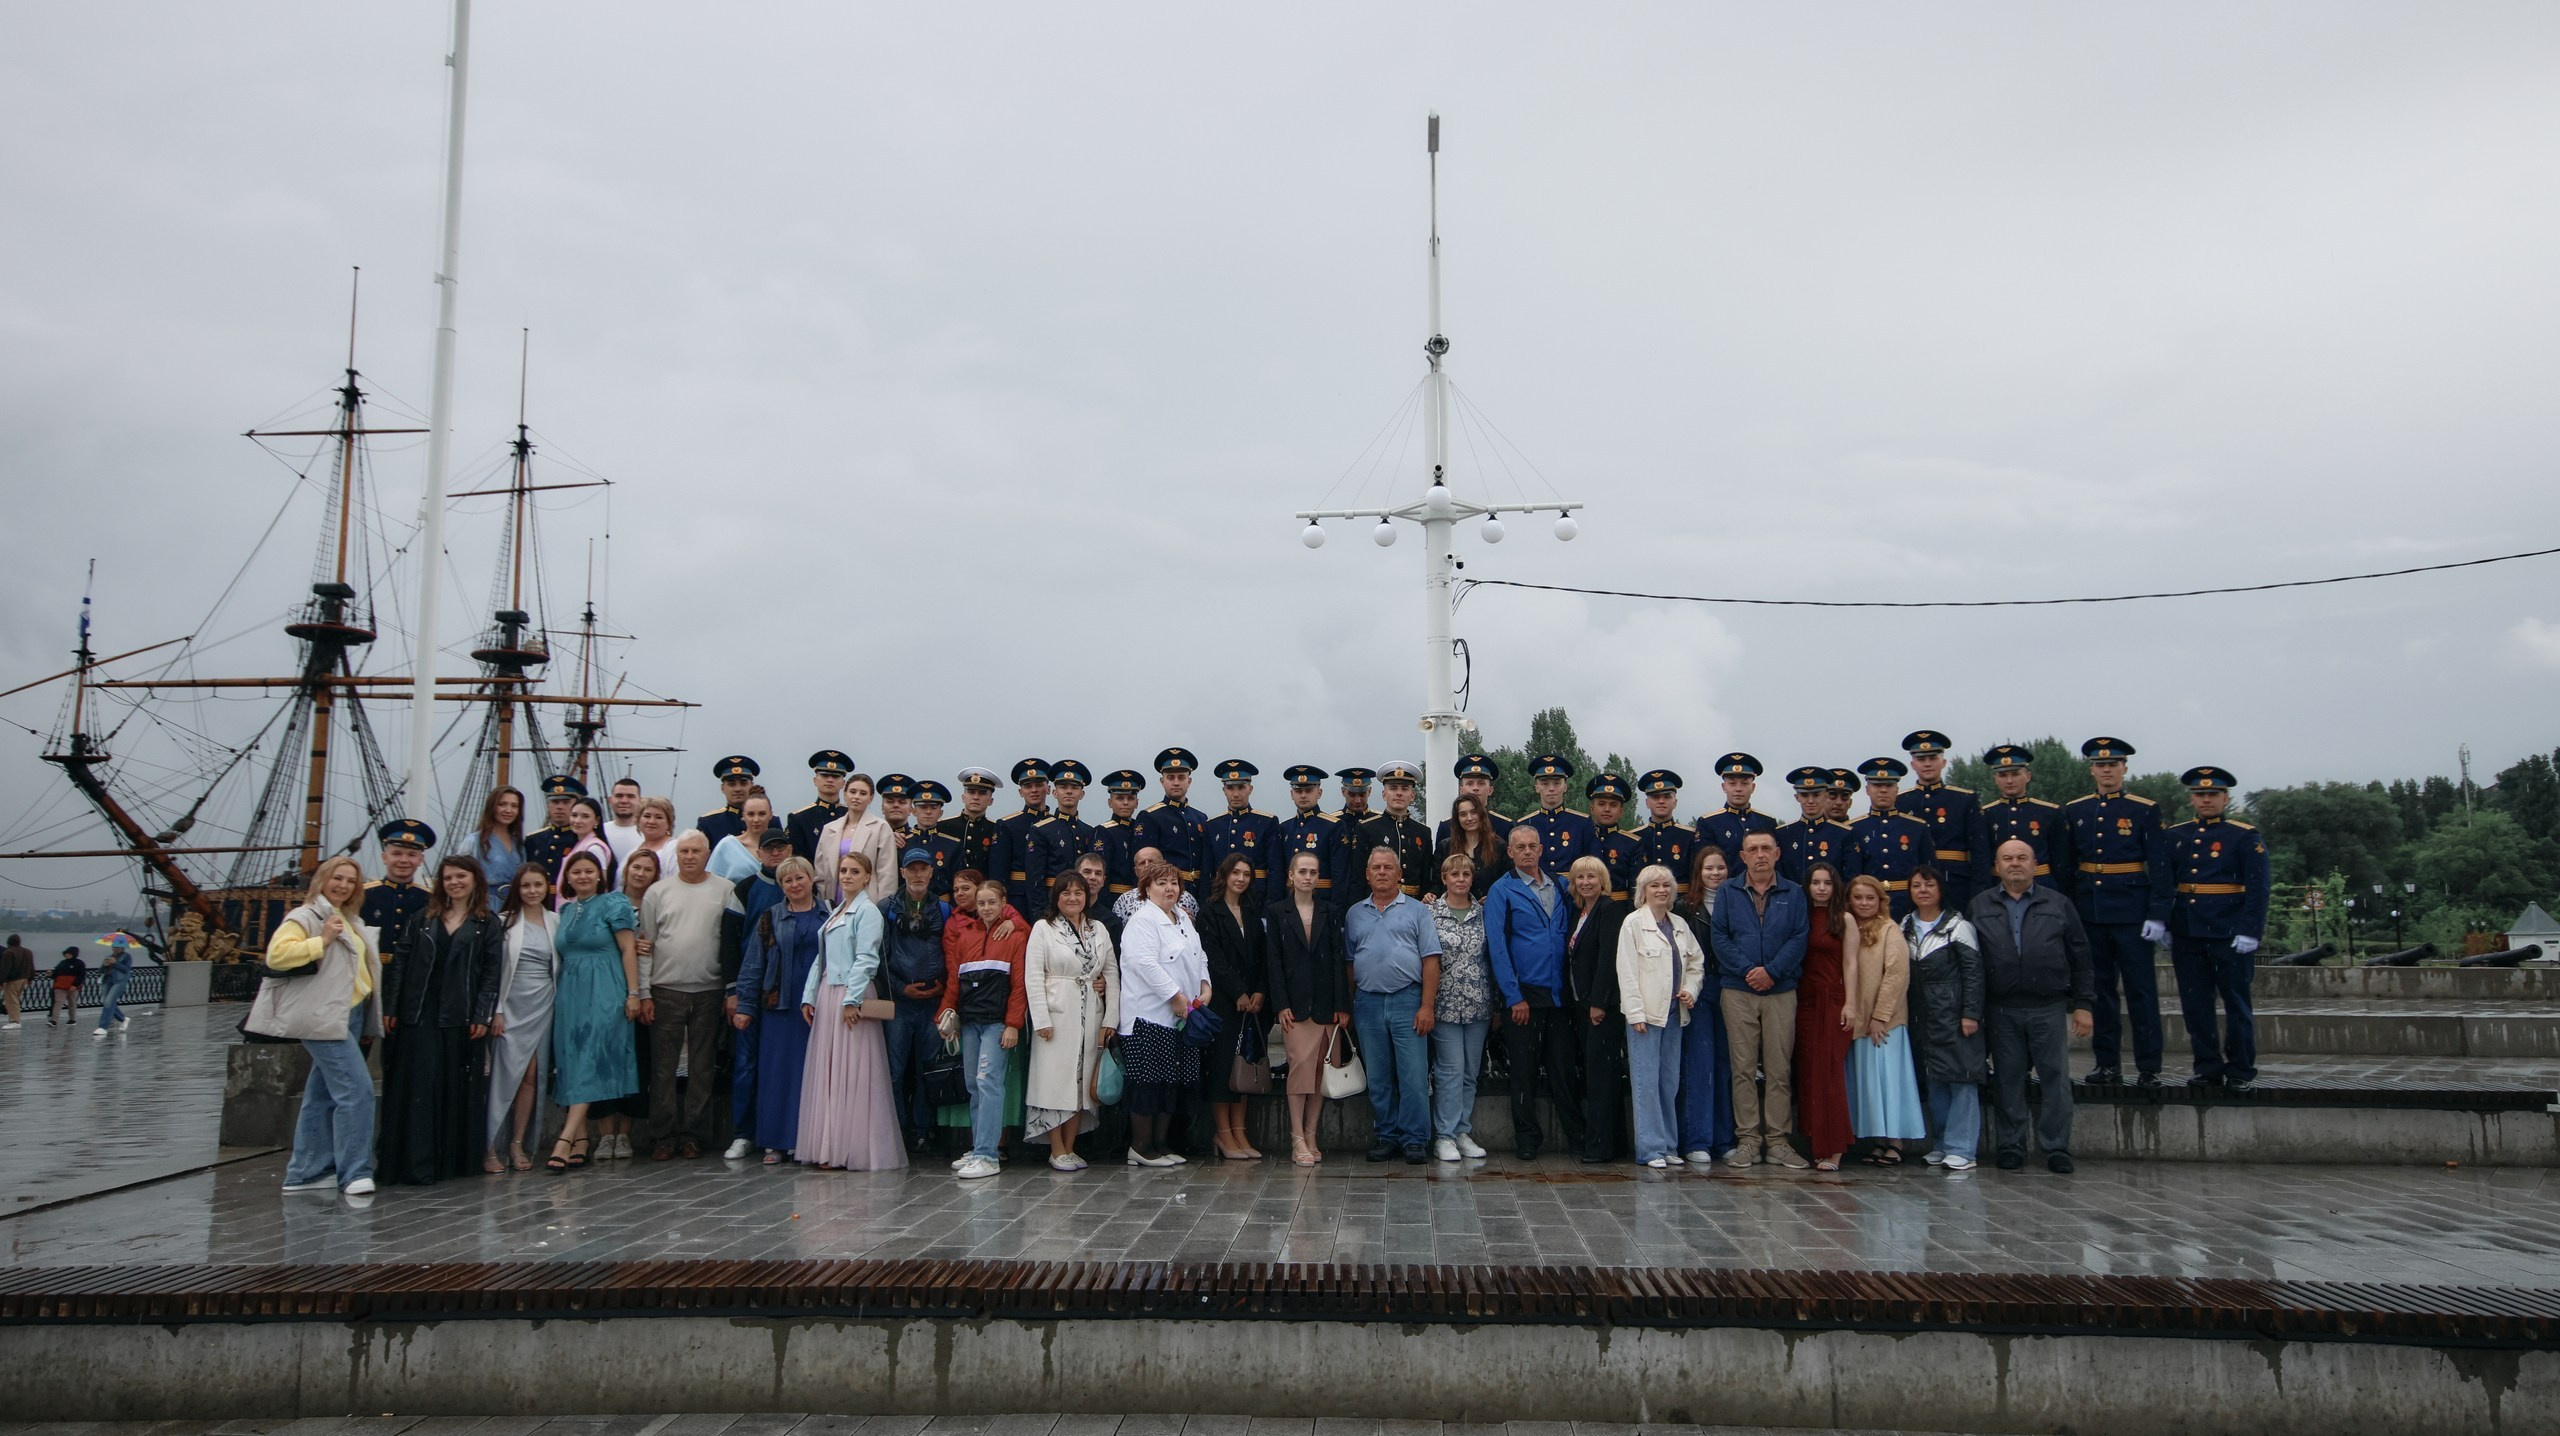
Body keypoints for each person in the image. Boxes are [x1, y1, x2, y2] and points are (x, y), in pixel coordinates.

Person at [250, 854, 385, 1197]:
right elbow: (276, 955)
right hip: (322, 1017)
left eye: (350, 881)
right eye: (337, 878)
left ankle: (306, 1172)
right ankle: (354, 1171)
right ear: (322, 880)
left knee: (321, 1094)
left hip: (348, 1013)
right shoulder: (306, 916)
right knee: (357, 1091)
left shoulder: (347, 917)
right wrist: (321, 941)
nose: (343, 885)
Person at [1969, 839, 2097, 1173]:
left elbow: (2081, 958)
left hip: (2048, 1006)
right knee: (2008, 1079)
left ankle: (2055, 1147)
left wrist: (2083, 1004)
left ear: (2035, 864)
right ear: (1996, 866)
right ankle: (2010, 1144)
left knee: (2055, 1078)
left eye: (2022, 858)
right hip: (2000, 1007)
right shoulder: (1980, 905)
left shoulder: (2058, 903)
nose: (2015, 863)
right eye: (2007, 858)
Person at [377, 855, 501, 1185]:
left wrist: (482, 1014)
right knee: (419, 1084)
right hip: (420, 1009)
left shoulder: (487, 922)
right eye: (448, 878)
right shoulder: (422, 918)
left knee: (453, 1085)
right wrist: (391, 1008)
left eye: (461, 876)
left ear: (475, 879)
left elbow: (491, 972)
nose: (454, 882)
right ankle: (415, 1162)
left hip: (460, 1013)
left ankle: (451, 1160)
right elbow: (401, 964)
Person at [2062, 736, 2170, 1088]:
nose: (2106, 770)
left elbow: (2160, 865)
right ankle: (2107, 1063)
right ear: (2091, 769)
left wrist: (2158, 913)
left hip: (2132, 912)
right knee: (2100, 992)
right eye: (2100, 765)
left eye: (2113, 764)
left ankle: (2149, 1066)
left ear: (2124, 768)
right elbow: (2068, 864)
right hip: (2090, 911)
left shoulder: (2144, 809)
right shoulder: (2076, 810)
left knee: (2141, 992)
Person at [795, 852, 906, 1171]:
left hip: (849, 993)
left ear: (867, 877)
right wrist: (810, 996)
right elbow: (823, 956)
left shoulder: (867, 911)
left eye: (854, 871)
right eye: (843, 870)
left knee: (852, 1072)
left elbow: (867, 958)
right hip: (829, 992)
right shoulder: (837, 911)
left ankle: (850, 1147)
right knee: (830, 1072)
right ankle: (829, 1144)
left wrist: (851, 1000)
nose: (846, 876)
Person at [637, 831, 744, 1160]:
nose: (689, 856)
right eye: (683, 851)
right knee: (663, 1068)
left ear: (707, 853)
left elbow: (730, 943)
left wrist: (730, 990)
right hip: (666, 989)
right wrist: (643, 993)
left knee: (702, 1066)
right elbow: (646, 946)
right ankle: (662, 1136)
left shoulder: (725, 890)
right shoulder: (658, 892)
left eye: (696, 851)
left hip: (709, 990)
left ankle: (694, 1134)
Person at [2166, 766, 2271, 1093]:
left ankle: (2240, 1068)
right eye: (2200, 794)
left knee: (2236, 1003)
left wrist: (2251, 930)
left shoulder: (2244, 835)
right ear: (2191, 799)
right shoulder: (2176, 835)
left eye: (2213, 794)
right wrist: (2166, 923)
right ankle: (2207, 1066)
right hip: (2188, 932)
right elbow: (2166, 884)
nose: (2206, 799)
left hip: (2229, 932)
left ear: (2225, 798)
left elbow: (2259, 888)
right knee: (2195, 1004)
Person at [1711, 831, 1810, 1169]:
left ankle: (1779, 1141)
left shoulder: (1794, 892)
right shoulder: (1728, 891)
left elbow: (1799, 937)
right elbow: (1720, 937)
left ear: (1778, 853)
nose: (1760, 855)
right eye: (1753, 849)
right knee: (1742, 1069)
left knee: (1779, 1069)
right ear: (1743, 856)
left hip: (1781, 991)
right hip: (1738, 990)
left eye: (1766, 848)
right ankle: (1749, 1140)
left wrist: (1772, 971)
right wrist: (1750, 970)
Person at [1483, 824, 1581, 1161]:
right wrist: (1513, 998)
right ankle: (1527, 1138)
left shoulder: (1562, 885)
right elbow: (1497, 947)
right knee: (1523, 1072)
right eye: (1519, 847)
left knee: (1564, 1069)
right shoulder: (1502, 890)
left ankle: (1576, 1136)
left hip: (1559, 994)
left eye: (1532, 846)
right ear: (1509, 852)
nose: (1526, 852)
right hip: (1524, 995)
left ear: (1541, 849)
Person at [1345, 846, 1442, 1164]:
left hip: (1408, 1001)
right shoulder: (1355, 913)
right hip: (1368, 1004)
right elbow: (1349, 962)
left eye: (1389, 867)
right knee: (1379, 1076)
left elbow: (1431, 959)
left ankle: (1415, 1139)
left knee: (1413, 1075)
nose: (1383, 872)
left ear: (1400, 874)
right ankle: (1386, 1135)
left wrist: (1427, 1006)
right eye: (1376, 867)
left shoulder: (1417, 911)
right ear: (1367, 874)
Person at [548, 850, 641, 1170]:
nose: (583, 876)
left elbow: (628, 948)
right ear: (568, 878)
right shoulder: (564, 911)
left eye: (589, 871)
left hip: (605, 986)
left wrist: (633, 993)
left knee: (591, 1058)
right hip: (570, 991)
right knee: (571, 1059)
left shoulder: (614, 903)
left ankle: (566, 1136)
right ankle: (582, 1140)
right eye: (576, 872)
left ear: (599, 875)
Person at [1116, 858, 1210, 1167]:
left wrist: (1204, 985)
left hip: (1181, 1016)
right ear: (1146, 888)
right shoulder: (1142, 920)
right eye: (1161, 883)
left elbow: (1199, 954)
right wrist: (1174, 996)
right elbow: (1144, 963)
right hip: (1148, 1016)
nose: (1169, 888)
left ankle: (1161, 1144)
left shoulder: (1182, 916)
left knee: (1172, 1082)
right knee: (1148, 1082)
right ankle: (1141, 1147)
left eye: (1174, 883)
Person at [735, 855, 828, 1163]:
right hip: (779, 1007)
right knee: (776, 1075)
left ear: (811, 879)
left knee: (811, 1075)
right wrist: (745, 1005)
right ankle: (774, 1141)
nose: (794, 884)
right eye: (787, 880)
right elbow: (753, 964)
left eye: (799, 877)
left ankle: (804, 1141)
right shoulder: (770, 916)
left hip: (817, 1006)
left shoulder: (828, 913)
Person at [1025, 872, 1119, 1170]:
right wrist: (1040, 1018)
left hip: (1091, 1010)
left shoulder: (1099, 929)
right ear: (1056, 897)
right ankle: (1056, 1148)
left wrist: (1111, 1018)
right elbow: (1033, 975)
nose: (1073, 898)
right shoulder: (1043, 928)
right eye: (1066, 893)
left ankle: (1071, 1146)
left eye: (1078, 892)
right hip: (1056, 1010)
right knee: (1054, 1080)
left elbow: (1113, 974)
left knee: (1082, 1081)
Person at [939, 877, 1030, 1179]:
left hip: (996, 1023)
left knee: (989, 1083)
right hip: (969, 1023)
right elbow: (955, 981)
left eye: (993, 901)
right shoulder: (965, 937)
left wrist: (1013, 1024)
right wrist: (946, 1014)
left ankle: (988, 1155)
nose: (987, 907)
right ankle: (979, 1146)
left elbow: (1019, 986)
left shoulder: (1016, 936)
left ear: (1004, 903)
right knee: (974, 1086)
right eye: (982, 903)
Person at [1616, 863, 1706, 1168]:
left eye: (1666, 885)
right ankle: (1650, 1149)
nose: (1661, 890)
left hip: (1674, 1012)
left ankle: (1669, 1145)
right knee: (1646, 1082)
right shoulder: (1633, 924)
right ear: (1643, 892)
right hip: (1646, 1016)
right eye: (1654, 886)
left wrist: (1690, 990)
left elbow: (1696, 964)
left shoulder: (1679, 923)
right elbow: (1626, 971)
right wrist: (1635, 1012)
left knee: (1669, 1081)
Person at [1265, 851, 1349, 1165]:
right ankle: (1296, 1135)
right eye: (1302, 871)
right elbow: (1273, 960)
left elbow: (1338, 959)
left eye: (1313, 872)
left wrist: (1342, 1004)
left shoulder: (1330, 911)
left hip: (1327, 1005)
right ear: (1291, 876)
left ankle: (1312, 1133)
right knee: (1299, 1069)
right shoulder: (1277, 912)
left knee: (1320, 1072)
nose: (1308, 877)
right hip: (1295, 1006)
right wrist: (1281, 1004)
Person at [1902, 864, 1986, 1171]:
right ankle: (1940, 1144)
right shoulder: (1904, 926)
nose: (1922, 891)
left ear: (1940, 890)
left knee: (1962, 1079)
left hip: (1954, 1013)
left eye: (1929, 885)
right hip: (1922, 1016)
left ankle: (1962, 1148)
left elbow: (1974, 974)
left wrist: (1970, 1013)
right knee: (1935, 1079)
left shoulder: (1958, 926)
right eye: (1916, 886)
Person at [1845, 873, 1925, 1165]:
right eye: (1858, 898)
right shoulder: (1848, 927)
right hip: (1858, 1020)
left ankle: (1895, 1141)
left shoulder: (1889, 929)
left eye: (1870, 898)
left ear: (1881, 901)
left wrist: (1880, 1015)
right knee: (1869, 1083)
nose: (1864, 903)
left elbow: (1896, 975)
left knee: (1889, 1081)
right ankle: (1878, 1139)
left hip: (1884, 1022)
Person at [485, 864, 558, 1173]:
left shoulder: (556, 921)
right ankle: (488, 1145)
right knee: (503, 1078)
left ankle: (517, 1143)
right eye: (526, 885)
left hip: (543, 1006)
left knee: (532, 1075)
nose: (532, 891)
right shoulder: (502, 923)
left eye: (538, 885)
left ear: (546, 887)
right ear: (518, 888)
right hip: (510, 1006)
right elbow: (494, 971)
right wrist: (496, 1010)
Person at [589, 848, 661, 1160]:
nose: (640, 873)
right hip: (606, 987)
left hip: (643, 989)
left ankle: (626, 1134)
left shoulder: (655, 904)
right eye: (636, 867)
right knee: (604, 1062)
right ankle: (605, 1133)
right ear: (626, 869)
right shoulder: (605, 903)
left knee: (637, 1062)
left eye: (648, 869)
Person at [1197, 852, 1270, 1160]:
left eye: (1246, 874)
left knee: (1245, 1067)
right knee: (1223, 1069)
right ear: (1224, 875)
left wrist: (1258, 992)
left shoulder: (1253, 911)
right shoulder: (1209, 912)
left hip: (1252, 1005)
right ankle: (1223, 1134)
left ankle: (1240, 1133)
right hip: (1224, 1003)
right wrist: (1238, 991)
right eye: (1236, 873)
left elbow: (1263, 957)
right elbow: (1213, 958)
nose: (1241, 879)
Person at [880, 848, 950, 1154]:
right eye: (912, 869)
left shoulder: (944, 910)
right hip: (900, 1002)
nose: (918, 874)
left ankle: (924, 1130)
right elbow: (879, 957)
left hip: (932, 1002)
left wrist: (944, 987)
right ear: (903, 872)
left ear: (932, 873)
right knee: (894, 1071)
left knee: (928, 1070)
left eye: (924, 869)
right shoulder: (886, 908)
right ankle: (895, 1129)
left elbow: (953, 953)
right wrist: (898, 988)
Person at [1427, 849, 1492, 1162]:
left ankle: (1462, 1130)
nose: (1461, 879)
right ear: (1444, 878)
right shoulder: (1430, 913)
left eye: (1466, 874)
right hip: (1445, 1005)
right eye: (1455, 874)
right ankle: (1444, 1135)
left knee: (1470, 1071)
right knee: (1450, 1071)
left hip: (1478, 1003)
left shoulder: (1483, 912)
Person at [1564, 855, 1630, 1164]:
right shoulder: (1580, 912)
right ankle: (1610, 1143)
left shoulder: (1610, 910)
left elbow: (1608, 959)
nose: (1586, 882)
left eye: (1592, 876)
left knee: (1602, 1077)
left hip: (1601, 1008)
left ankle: (1601, 1147)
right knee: (1594, 1074)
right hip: (1581, 1005)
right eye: (1580, 877)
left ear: (1602, 881)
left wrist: (1598, 1003)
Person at [1673, 847, 1736, 1164]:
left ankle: (1725, 1140)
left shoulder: (1740, 902)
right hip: (1699, 990)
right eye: (1709, 868)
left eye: (1721, 868)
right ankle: (1697, 1139)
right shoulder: (1685, 908)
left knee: (1727, 1066)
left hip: (1733, 988)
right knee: (1699, 1065)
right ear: (1698, 873)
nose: (1715, 874)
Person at [1793, 862, 1857, 1171]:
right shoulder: (1800, 918)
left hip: (1832, 1003)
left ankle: (1834, 1148)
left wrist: (1852, 1004)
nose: (1821, 888)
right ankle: (1815, 1143)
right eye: (1815, 882)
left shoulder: (1844, 919)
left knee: (1830, 1074)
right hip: (1803, 1003)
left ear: (1835, 887)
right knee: (1808, 1074)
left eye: (1827, 883)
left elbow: (1851, 964)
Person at [1896, 731, 1987, 909]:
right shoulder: (1901, 802)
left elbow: (1980, 852)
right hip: (1914, 882)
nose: (1928, 763)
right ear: (1913, 764)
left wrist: (1979, 893)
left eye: (1933, 758)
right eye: (1921, 759)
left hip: (1956, 882)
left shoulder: (1964, 800)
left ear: (1943, 762)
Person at [1978, 745, 2072, 889]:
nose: (2009, 780)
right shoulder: (1985, 814)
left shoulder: (2049, 812)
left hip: (2041, 885)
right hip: (1999, 887)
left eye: (2015, 774)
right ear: (1995, 779)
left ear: (2028, 776)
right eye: (2003, 775)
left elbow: (2061, 859)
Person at [1848, 759, 1930, 918]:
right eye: (1877, 785)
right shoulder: (1853, 829)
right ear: (1867, 789)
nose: (1883, 790)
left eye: (1889, 785)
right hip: (1867, 908)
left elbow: (1928, 872)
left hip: (1909, 907)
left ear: (1897, 789)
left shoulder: (1916, 828)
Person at [1032, 761, 1106, 916]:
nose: (1069, 792)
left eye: (1074, 787)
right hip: (1051, 903)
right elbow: (1035, 880)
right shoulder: (1041, 830)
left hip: (1083, 906)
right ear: (1054, 792)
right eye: (1063, 787)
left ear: (1082, 794)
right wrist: (1040, 915)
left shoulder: (1089, 831)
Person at [812, 774, 899, 904]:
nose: (856, 797)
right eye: (853, 792)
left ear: (871, 798)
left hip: (868, 902)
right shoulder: (830, 829)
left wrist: (883, 908)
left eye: (863, 793)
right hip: (833, 900)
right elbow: (821, 873)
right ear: (845, 794)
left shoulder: (880, 827)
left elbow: (887, 875)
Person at [1138, 748, 1209, 892]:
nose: (1176, 782)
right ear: (1162, 781)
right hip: (1166, 890)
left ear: (1189, 781)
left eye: (1181, 777)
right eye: (1171, 777)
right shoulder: (1150, 816)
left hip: (1198, 891)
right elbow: (1143, 865)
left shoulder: (1200, 818)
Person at [360, 819, 435, 952]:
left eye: (412, 855)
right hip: (370, 969)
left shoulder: (430, 899)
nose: (404, 860)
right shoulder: (363, 894)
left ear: (420, 860)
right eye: (397, 853)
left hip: (411, 970)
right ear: (384, 857)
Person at [1519, 754, 1597, 878]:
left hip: (1572, 890)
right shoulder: (1525, 824)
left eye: (1556, 783)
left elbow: (1594, 863)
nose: (1551, 789)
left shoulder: (1582, 823)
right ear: (1537, 788)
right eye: (1545, 784)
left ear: (1565, 787)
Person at [993, 760, 1056, 914]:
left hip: (1052, 895)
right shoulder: (1007, 825)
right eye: (1028, 786)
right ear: (1020, 792)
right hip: (1018, 899)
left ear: (1048, 789)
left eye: (1039, 785)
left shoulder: (1057, 825)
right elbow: (998, 873)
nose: (1034, 790)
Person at [1775, 767, 1857, 885]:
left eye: (1816, 795)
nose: (1811, 801)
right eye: (1804, 795)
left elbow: (1850, 879)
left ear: (1825, 795)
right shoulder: (1783, 834)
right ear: (1797, 797)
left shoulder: (1843, 834)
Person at [1696, 753, 1778, 869]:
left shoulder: (1767, 822)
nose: (1738, 789)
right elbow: (1701, 865)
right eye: (1732, 783)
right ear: (1724, 787)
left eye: (1744, 783)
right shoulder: (1709, 823)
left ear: (1753, 787)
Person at [1375, 761, 1438, 897]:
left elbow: (1426, 874)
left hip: (1414, 903)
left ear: (1413, 795)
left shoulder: (1423, 832)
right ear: (1384, 794)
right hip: (1378, 902)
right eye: (1393, 788)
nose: (1399, 793)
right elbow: (1358, 878)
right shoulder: (1368, 829)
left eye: (1404, 789)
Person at [1631, 770, 1697, 897]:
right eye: (1655, 797)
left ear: (1675, 802)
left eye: (1667, 796)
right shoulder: (1634, 837)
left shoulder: (1689, 836)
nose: (1661, 801)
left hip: (1681, 901)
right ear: (1647, 803)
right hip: (1645, 902)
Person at [1437, 752, 1516, 852]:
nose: (1475, 788)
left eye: (1481, 783)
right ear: (1461, 790)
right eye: (1470, 783)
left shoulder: (1504, 826)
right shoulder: (1447, 826)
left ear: (1490, 790)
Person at [1434, 792, 1506, 899]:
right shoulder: (1445, 847)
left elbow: (1505, 882)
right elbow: (1436, 882)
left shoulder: (1499, 846)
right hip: (1453, 909)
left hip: (1490, 909)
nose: (1469, 818)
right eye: (1463, 814)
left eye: (1473, 812)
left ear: (1481, 814)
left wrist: (1493, 897)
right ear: (1457, 818)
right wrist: (1432, 893)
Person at [786, 750, 854, 861]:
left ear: (843, 783)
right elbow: (796, 859)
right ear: (815, 780)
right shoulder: (799, 818)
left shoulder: (851, 815)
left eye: (835, 776)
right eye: (825, 775)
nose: (830, 780)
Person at [1584, 772, 1642, 903]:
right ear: (1592, 808)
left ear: (1621, 811)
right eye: (1601, 804)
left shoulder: (1632, 843)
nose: (1607, 809)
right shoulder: (1583, 837)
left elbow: (1636, 886)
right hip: (1585, 906)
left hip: (1619, 908)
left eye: (1613, 805)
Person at [939, 766, 1004, 882]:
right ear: (963, 797)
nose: (975, 797)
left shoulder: (997, 829)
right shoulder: (943, 826)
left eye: (982, 793)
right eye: (971, 792)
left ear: (991, 800)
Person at [521, 774, 584, 891]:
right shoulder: (533, 840)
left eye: (566, 802)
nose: (560, 807)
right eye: (555, 802)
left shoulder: (581, 839)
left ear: (576, 805)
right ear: (548, 805)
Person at [472, 787, 527, 913]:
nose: (508, 810)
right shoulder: (475, 841)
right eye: (502, 804)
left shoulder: (519, 845)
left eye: (514, 806)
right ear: (492, 807)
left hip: (513, 906)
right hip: (484, 906)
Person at [555, 798, 618, 906]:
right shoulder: (580, 844)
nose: (578, 821)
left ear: (597, 820)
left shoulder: (594, 848)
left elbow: (599, 886)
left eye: (585, 816)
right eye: (574, 815)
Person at [1096, 769, 1149, 898]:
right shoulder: (1103, 831)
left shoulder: (1142, 829)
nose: (1125, 803)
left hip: (1142, 896)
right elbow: (1101, 873)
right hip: (1114, 897)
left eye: (1130, 798)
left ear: (1137, 803)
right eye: (1120, 798)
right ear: (1110, 802)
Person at [707, 792, 782, 882]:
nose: (756, 819)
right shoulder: (727, 846)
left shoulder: (781, 847)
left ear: (770, 815)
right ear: (743, 816)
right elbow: (711, 881)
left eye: (762, 814)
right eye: (751, 814)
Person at [698, 754, 762, 849]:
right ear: (722, 788)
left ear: (752, 786)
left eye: (743, 783)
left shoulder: (769, 820)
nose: (738, 789)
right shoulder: (709, 823)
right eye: (731, 784)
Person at [91, 933, 135, 1038]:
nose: (115, 949)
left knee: (108, 1002)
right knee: (108, 1003)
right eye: (113, 946)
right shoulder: (108, 956)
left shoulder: (126, 957)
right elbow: (100, 970)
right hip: (107, 980)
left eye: (117, 947)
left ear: (122, 947)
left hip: (119, 981)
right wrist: (104, 965)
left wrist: (115, 963)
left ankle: (103, 1027)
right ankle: (123, 1019)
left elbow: (126, 970)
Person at [603, 776, 645, 868]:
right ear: (610, 800)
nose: (624, 801)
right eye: (619, 796)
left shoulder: (647, 834)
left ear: (640, 801)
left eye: (630, 796)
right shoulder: (599, 831)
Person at [630, 796, 680, 876]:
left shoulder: (675, 849)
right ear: (638, 820)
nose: (651, 821)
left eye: (658, 817)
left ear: (669, 823)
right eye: (647, 816)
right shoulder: (633, 851)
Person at [0, 932, 32, 1029]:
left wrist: (1, 981)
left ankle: (15, 1021)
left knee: (11, 1000)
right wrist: (30, 977)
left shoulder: (9, 952)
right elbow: (31, 966)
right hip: (24, 978)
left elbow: (5, 968)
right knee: (15, 999)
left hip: (12, 980)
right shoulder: (27, 951)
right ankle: (14, 1019)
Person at [48, 945, 85, 1026]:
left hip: (72, 987)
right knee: (58, 1002)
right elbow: (56, 974)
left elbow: (81, 975)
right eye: (66, 953)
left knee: (72, 1003)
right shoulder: (62, 963)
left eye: (69, 953)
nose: (67, 955)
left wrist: (75, 985)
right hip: (60, 986)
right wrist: (51, 975)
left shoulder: (79, 963)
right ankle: (54, 1020)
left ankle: (72, 1019)